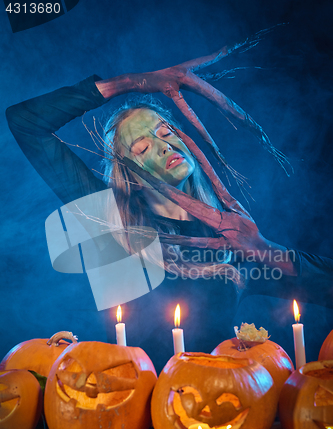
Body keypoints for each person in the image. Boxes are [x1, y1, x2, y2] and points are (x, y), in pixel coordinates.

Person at [6, 73, 333, 373]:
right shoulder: (111, 223)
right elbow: (25, 122)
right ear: (130, 176)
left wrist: (265, 250)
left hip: (221, 404)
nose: (164, 145)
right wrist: (133, 82)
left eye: (166, 133)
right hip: (132, 414)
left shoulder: (227, 239)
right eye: (143, 146)